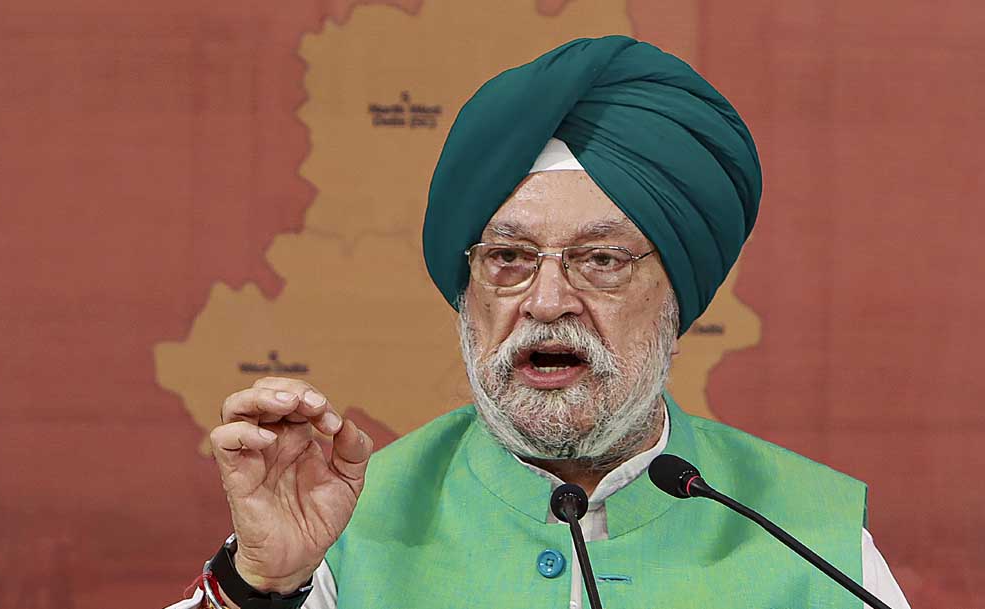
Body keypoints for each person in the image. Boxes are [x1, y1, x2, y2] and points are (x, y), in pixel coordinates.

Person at [169, 36, 911, 609]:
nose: (548, 300)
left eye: (602, 260)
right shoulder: (341, 523)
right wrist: (260, 584)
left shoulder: (815, 537)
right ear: (469, 291)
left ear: (676, 297)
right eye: (508, 257)